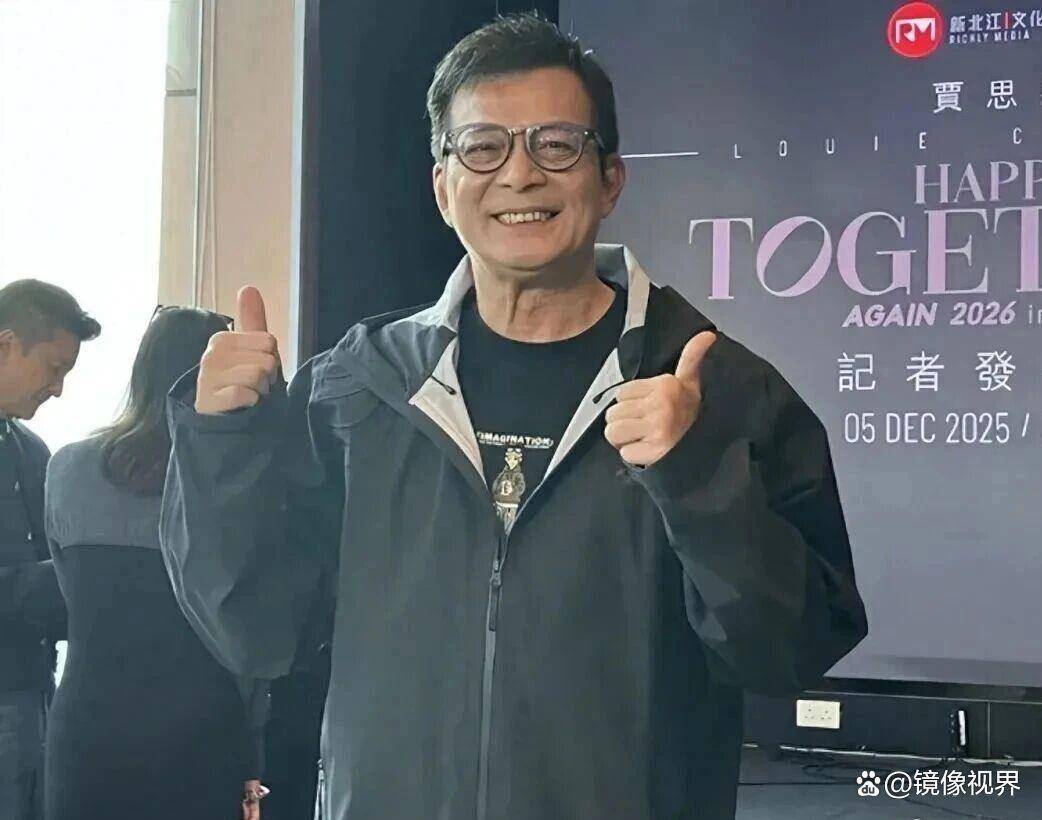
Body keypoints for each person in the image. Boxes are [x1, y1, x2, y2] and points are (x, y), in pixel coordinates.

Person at [161, 14, 868, 820]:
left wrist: (699, 476)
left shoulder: (719, 388)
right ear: (443, 187)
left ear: (610, 179)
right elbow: (258, 631)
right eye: (483, 147)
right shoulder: (359, 388)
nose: (520, 175)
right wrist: (222, 443)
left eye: (557, 144)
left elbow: (791, 651)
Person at [43, 306, 264, 820]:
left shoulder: (68, 467)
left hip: (86, 733)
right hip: (201, 733)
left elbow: (71, 595)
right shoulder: (234, 483)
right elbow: (250, 633)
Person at [0, 279, 100, 820]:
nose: (58, 389)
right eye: (53, 368)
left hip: (40, 696)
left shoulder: (33, 451)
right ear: (6, 344)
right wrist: (79, 575)